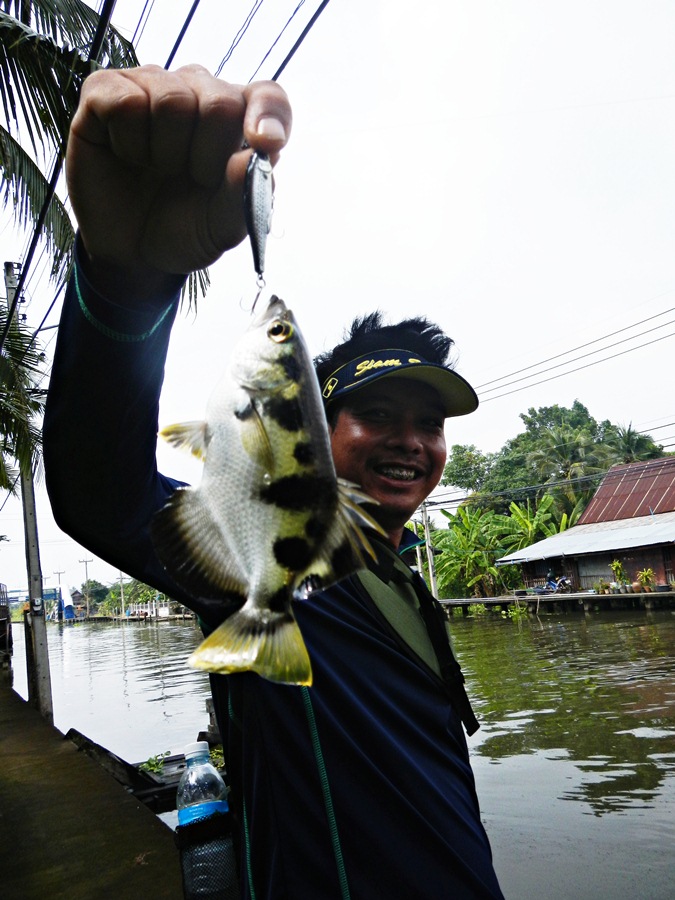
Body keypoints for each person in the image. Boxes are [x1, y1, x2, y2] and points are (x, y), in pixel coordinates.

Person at [44, 65, 504, 899]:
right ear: (316, 433)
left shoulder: (404, 579)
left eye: (428, 424)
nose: (410, 442)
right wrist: (124, 277)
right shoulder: (290, 570)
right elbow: (101, 491)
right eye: (377, 413)